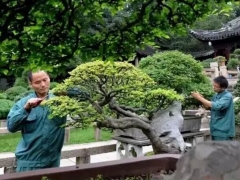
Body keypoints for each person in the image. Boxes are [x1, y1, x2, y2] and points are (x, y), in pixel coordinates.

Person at [7, 70, 66, 172]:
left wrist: (69, 91)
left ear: (49, 79)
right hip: (28, 163)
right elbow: (11, 127)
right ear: (30, 84)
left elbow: (83, 99)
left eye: (45, 80)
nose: (43, 85)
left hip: (53, 163)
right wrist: (26, 109)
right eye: (37, 82)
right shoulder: (23, 103)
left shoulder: (61, 102)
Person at [191, 75, 235, 141]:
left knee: (223, 150)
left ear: (222, 88)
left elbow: (216, 106)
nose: (213, 87)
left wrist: (199, 98)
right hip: (215, 129)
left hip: (223, 131)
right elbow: (208, 107)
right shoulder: (216, 95)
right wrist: (201, 99)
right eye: (213, 85)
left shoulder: (227, 96)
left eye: (216, 86)